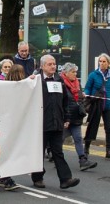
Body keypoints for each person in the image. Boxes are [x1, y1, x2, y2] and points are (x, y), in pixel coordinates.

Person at [31, 55, 80, 190]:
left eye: (54, 64)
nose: (53, 66)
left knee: (58, 152)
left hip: (57, 123)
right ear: (42, 66)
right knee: (38, 153)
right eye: (49, 64)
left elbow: (65, 101)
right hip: (41, 124)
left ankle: (65, 179)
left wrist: (67, 118)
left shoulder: (59, 80)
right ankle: (38, 177)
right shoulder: (35, 81)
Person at [60, 62, 97, 171]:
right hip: (65, 117)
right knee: (59, 139)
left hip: (76, 117)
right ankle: (56, 156)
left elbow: (79, 99)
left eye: (76, 72)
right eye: (73, 72)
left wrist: (83, 98)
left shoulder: (77, 83)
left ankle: (83, 160)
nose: (75, 74)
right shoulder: (61, 83)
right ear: (66, 73)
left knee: (78, 138)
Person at [83, 53, 110, 157]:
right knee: (92, 126)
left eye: (104, 61)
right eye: (100, 61)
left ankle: (108, 150)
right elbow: (88, 87)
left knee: (109, 128)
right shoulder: (93, 75)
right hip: (96, 104)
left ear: (108, 63)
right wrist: (86, 92)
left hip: (108, 106)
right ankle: (86, 148)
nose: (102, 63)